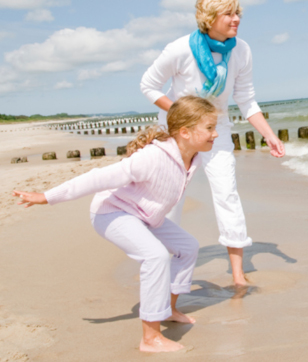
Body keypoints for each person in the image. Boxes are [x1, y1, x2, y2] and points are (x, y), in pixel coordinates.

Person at [13, 96, 219, 353]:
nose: (216, 133)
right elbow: (98, 178)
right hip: (112, 212)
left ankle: (168, 309)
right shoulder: (152, 158)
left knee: (188, 246)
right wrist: (48, 196)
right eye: (209, 128)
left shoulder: (193, 157)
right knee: (155, 257)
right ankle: (150, 338)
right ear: (185, 132)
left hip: (144, 215)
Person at [140, 0, 284, 287]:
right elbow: (148, 85)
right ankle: (160, 267)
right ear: (209, 18)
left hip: (216, 132)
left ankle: (239, 275)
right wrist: (183, 115)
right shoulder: (179, 49)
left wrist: (269, 134)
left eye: (237, 13)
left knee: (227, 194)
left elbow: (246, 98)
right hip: (177, 133)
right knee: (172, 199)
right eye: (228, 14)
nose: (236, 19)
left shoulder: (241, 51)